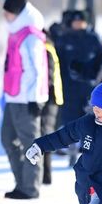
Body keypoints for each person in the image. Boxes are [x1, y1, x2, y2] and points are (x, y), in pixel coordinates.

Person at [1, 0, 48, 199]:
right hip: (13, 97)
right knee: (8, 139)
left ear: (18, 14)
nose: (6, 17)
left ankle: (30, 187)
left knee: (31, 143)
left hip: (27, 100)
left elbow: (37, 71)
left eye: (8, 13)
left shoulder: (31, 37)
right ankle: (22, 182)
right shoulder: (16, 34)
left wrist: (34, 99)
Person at [55, 10, 102, 166]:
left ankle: (89, 153)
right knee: (71, 121)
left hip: (89, 87)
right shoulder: (64, 39)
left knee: (89, 122)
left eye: (81, 21)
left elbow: (100, 61)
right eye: (75, 21)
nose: (78, 24)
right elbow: (57, 63)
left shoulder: (93, 39)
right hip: (69, 88)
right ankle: (72, 153)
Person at [41, 29, 64, 185]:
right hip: (53, 98)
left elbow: (48, 76)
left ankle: (46, 176)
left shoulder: (45, 49)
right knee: (45, 134)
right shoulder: (49, 46)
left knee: (45, 134)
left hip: (49, 99)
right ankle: (45, 176)